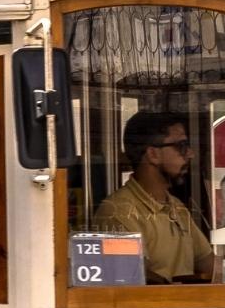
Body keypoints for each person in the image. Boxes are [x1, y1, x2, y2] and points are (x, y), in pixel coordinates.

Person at [91, 111, 217, 285]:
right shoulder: (118, 213)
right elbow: (134, 279)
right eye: (181, 146)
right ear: (153, 154)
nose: (190, 154)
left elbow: (209, 264)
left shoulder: (176, 206)